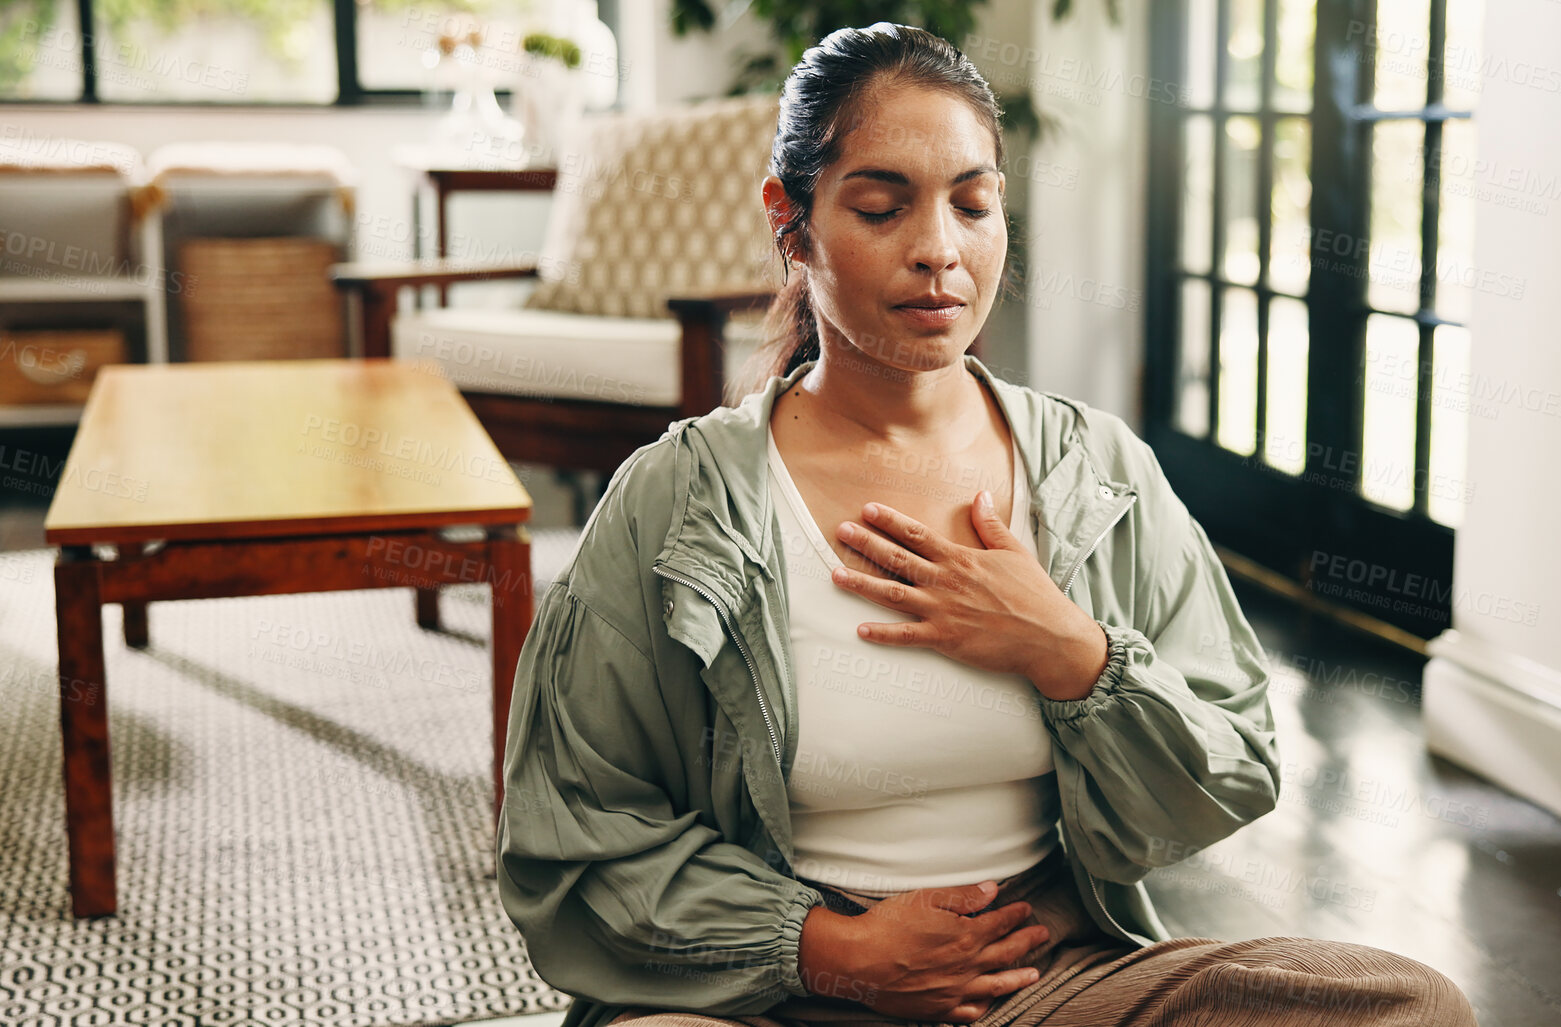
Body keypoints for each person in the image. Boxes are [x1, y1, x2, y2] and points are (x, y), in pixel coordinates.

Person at [496, 21, 1476, 1027]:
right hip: (763, 996)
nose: (939, 250)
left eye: (972, 204)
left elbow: (1230, 768)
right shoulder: (677, 499)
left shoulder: (1098, 474)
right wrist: (829, 948)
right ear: (791, 221)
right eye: (881, 208)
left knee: (1409, 1007)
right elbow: (569, 835)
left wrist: (1072, 653)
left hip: (1032, 988)